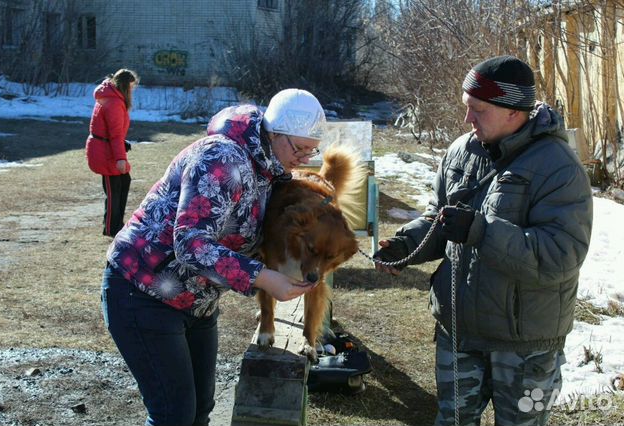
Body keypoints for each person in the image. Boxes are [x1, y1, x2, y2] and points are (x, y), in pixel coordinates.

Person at [374, 56, 593, 425]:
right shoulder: (461, 151)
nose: (467, 120)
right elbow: (440, 219)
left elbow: (560, 254)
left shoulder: (559, 167)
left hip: (527, 348)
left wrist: (482, 232)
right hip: (459, 333)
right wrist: (405, 246)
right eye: (466, 108)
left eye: (478, 109)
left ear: (513, 111)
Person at [101, 88, 326, 426]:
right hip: (142, 290)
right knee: (173, 415)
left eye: (312, 151)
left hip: (197, 300)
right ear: (274, 133)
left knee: (198, 412)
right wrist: (263, 278)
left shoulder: (268, 170)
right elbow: (191, 242)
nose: (304, 159)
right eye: (299, 149)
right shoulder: (222, 158)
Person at [85, 68, 139, 237]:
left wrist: (122, 144)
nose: (132, 91)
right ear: (124, 86)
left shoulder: (113, 97)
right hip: (104, 151)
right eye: (131, 87)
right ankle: (110, 228)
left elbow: (111, 132)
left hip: (107, 147)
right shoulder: (114, 102)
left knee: (124, 181)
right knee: (113, 188)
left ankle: (117, 223)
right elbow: (114, 134)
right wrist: (120, 158)